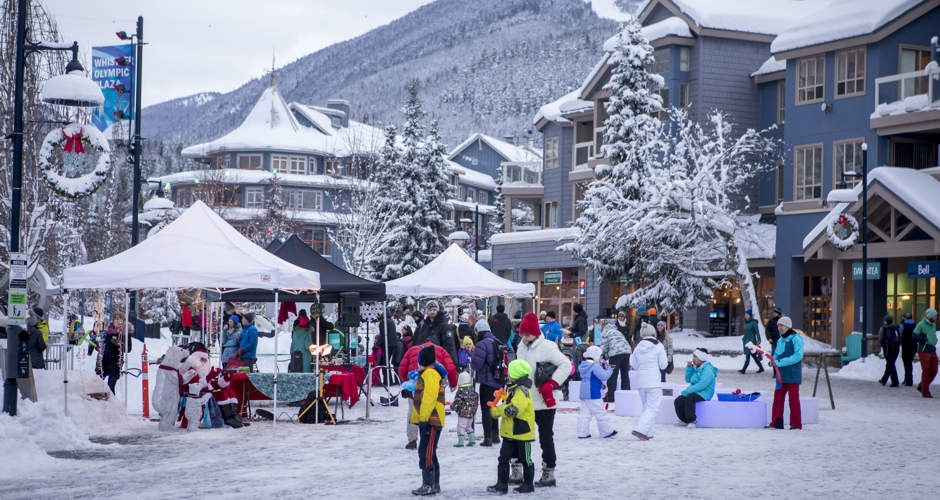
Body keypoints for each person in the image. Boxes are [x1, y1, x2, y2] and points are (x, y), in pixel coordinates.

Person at [514, 312, 570, 487]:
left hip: (544, 401)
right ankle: (518, 469)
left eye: (527, 334)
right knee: (518, 436)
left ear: (535, 333)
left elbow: (566, 365)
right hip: (524, 400)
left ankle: (548, 472)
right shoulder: (521, 347)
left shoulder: (547, 346)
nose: (524, 338)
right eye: (522, 334)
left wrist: (552, 383)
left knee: (545, 437)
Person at [487, 359, 537, 494]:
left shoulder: (522, 391)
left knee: (526, 459)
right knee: (503, 458)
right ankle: (501, 484)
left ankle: (528, 484)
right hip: (510, 433)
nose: (507, 375)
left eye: (509, 373)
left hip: (522, 432)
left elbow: (514, 409)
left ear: (515, 375)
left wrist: (497, 411)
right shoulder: (513, 389)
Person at [399, 339, 458, 449]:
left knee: (413, 410)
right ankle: (430, 437)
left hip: (415, 385)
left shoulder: (412, 350)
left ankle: (412, 439)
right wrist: (453, 383)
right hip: (435, 383)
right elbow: (450, 367)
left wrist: (406, 381)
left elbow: (402, 368)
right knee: (432, 408)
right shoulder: (440, 350)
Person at [410, 345, 446, 496]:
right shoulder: (427, 373)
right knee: (429, 451)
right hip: (428, 419)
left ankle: (428, 484)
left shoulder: (430, 374)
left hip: (431, 420)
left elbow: (429, 397)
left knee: (426, 451)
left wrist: (424, 418)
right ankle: (433, 483)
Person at [630, 324, 668, 440]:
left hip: (641, 381)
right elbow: (663, 365)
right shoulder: (658, 346)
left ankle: (648, 432)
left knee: (646, 407)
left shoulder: (637, 347)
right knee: (652, 408)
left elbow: (634, 365)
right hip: (653, 381)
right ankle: (640, 429)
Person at [471, 318, 504, 447]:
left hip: (487, 381)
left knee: (486, 409)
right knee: (494, 407)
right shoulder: (497, 341)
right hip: (498, 381)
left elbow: (476, 364)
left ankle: (488, 437)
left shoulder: (482, 344)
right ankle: (495, 435)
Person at [770, 316, 803, 429]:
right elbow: (776, 355)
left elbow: (798, 356)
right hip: (781, 376)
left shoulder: (796, 339)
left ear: (788, 326)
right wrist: (773, 361)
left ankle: (796, 424)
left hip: (793, 375)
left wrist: (779, 362)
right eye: (778, 325)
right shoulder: (779, 340)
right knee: (777, 400)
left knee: (793, 401)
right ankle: (776, 422)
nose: (779, 328)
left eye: (781, 325)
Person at [576, 345, 616, 439]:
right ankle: (606, 431)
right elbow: (604, 376)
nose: (601, 358)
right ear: (595, 355)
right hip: (593, 392)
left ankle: (582, 433)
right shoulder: (595, 366)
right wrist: (609, 369)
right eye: (600, 356)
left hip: (584, 393)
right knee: (600, 412)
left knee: (584, 414)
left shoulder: (583, 365)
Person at [674, 349, 717, 426]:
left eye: (695, 357)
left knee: (690, 398)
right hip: (696, 391)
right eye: (693, 356)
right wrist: (689, 368)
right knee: (679, 400)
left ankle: (692, 420)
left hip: (705, 392)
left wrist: (688, 391)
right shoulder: (697, 368)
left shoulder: (708, 369)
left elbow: (702, 384)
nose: (693, 359)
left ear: (702, 358)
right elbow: (688, 379)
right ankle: (684, 420)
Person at [413, 301, 458, 367]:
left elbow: (449, 346)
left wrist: (451, 363)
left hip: (440, 361)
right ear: (427, 311)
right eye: (430, 310)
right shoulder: (424, 326)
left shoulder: (444, 325)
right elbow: (419, 342)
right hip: (425, 362)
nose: (432, 312)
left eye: (434, 310)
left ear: (437, 311)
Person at [597, 320, 632, 401]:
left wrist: (603, 356)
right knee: (625, 374)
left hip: (615, 354)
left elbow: (604, 346)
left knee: (612, 375)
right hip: (626, 352)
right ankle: (626, 396)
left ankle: (610, 396)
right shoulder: (617, 331)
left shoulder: (605, 332)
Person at [914, 308, 937, 398]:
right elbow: (914, 336)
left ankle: (922, 385)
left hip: (932, 349)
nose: (936, 317)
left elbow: (933, 335)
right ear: (930, 316)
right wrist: (924, 339)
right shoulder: (921, 325)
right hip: (923, 350)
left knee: (934, 370)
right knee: (926, 371)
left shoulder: (934, 325)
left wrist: (935, 340)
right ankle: (925, 391)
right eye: (935, 315)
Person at [451, 370, 479, 447]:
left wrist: (453, 407)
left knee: (461, 426)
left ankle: (460, 441)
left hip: (463, 413)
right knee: (468, 426)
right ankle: (472, 439)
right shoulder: (472, 390)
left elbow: (457, 401)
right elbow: (476, 400)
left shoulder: (461, 391)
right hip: (471, 413)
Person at [739, 309, 765, 374]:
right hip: (745, 341)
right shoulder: (745, 322)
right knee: (754, 356)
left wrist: (758, 341)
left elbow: (757, 332)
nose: (745, 315)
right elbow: (745, 332)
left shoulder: (754, 323)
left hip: (751, 342)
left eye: (747, 314)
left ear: (750, 315)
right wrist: (743, 338)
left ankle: (743, 370)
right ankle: (761, 368)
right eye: (745, 314)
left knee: (748, 356)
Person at [101, 321, 125, 394]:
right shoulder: (108, 333)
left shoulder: (123, 333)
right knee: (100, 385)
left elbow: (128, 348)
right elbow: (104, 346)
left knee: (110, 386)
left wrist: (119, 344)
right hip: (106, 362)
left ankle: (113, 404)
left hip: (115, 363)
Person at [877, 314, 900, 387]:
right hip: (896, 348)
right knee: (890, 364)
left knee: (890, 364)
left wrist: (883, 344)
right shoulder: (896, 327)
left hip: (887, 348)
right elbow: (900, 337)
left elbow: (880, 338)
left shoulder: (883, 328)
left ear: (886, 321)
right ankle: (884, 380)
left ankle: (895, 381)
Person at [900, 312, 917, 386]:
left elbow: (900, 334)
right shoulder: (915, 325)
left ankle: (908, 380)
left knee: (906, 363)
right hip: (913, 346)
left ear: (905, 318)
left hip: (905, 346)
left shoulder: (902, 326)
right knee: (909, 362)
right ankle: (908, 378)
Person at [766, 307, 783, 376]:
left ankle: (781, 372)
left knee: (781, 357)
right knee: (774, 357)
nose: (774, 314)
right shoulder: (771, 321)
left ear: (779, 314)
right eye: (774, 312)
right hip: (774, 342)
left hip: (782, 342)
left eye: (775, 313)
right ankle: (775, 373)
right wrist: (769, 338)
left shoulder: (782, 321)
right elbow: (767, 330)